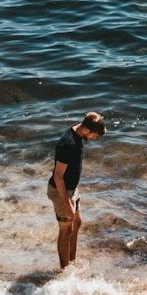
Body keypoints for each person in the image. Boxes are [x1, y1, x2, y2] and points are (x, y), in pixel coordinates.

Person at [47, 111, 106, 269]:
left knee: (77, 223)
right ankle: (64, 270)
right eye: (94, 136)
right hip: (61, 190)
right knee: (66, 230)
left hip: (72, 188)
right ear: (86, 129)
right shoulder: (68, 144)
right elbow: (58, 176)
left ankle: (72, 261)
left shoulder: (78, 134)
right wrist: (67, 204)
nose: (93, 139)